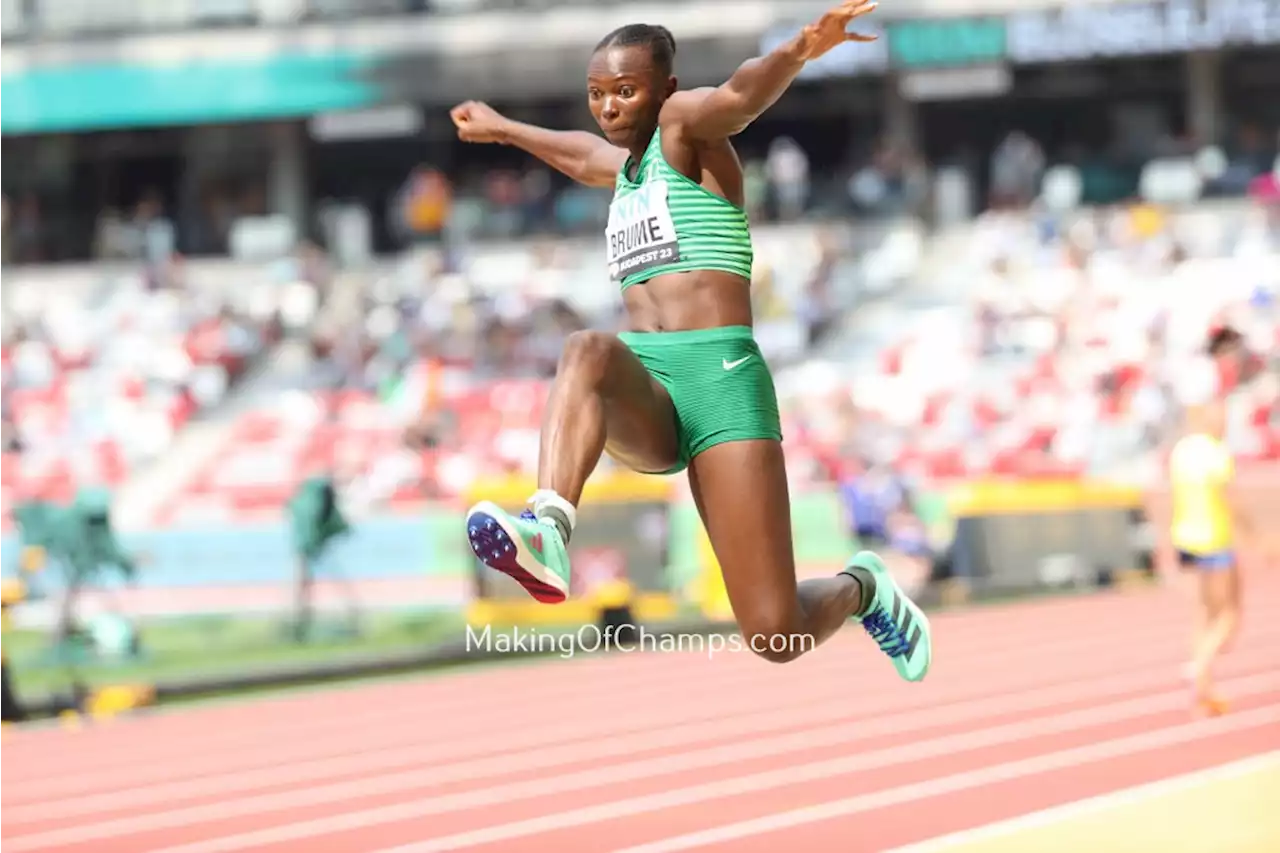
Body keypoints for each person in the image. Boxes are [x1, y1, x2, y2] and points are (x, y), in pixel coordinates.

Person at [451, 1, 931, 679]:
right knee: (586, 349)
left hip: (721, 376)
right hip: (651, 381)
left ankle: (866, 587)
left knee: (776, 634)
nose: (609, 108)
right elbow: (576, 151)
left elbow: (737, 97)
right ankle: (548, 528)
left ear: (665, 89)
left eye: (626, 90)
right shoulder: (622, 170)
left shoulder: (686, 130)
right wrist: (502, 129)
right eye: (597, 95)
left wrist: (797, 50)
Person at [1167, 360, 1251, 716]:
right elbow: (1231, 503)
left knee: (1205, 612)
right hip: (1214, 540)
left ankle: (1204, 688)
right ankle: (1198, 668)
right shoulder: (1216, 454)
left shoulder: (1181, 451)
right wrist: (1259, 540)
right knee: (1229, 614)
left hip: (1185, 538)